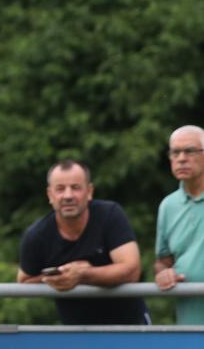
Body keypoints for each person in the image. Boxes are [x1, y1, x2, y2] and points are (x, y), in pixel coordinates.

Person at [17, 159, 150, 324]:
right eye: (60, 189)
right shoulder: (37, 235)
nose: (68, 196)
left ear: (89, 192)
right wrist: (59, 277)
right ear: (50, 195)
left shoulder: (110, 215)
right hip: (76, 332)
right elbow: (24, 281)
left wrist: (83, 275)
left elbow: (132, 271)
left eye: (75, 188)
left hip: (130, 326)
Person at [154, 125, 204, 324]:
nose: (181, 158)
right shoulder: (168, 205)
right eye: (175, 152)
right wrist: (163, 273)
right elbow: (163, 261)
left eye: (190, 151)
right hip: (190, 319)